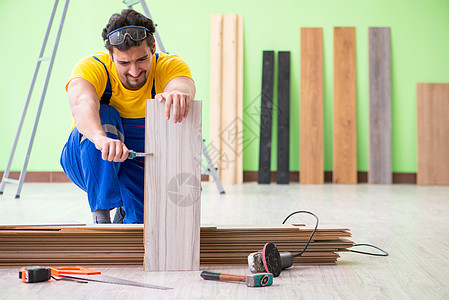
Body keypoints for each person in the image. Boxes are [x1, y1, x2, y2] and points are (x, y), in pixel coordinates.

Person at [60, 9, 195, 224]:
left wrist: (179, 94)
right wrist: (100, 138)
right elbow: (82, 103)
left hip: (137, 163)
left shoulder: (169, 66)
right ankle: (101, 216)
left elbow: (182, 84)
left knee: (140, 227)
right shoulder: (93, 67)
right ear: (111, 56)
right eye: (123, 63)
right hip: (89, 158)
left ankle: (126, 211)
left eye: (141, 59)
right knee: (105, 112)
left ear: (153, 48)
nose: (134, 71)